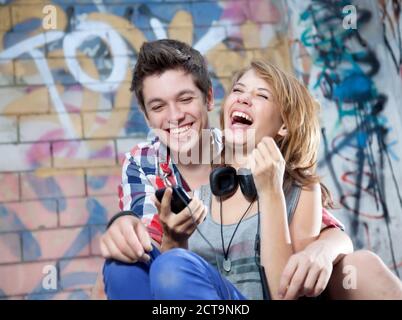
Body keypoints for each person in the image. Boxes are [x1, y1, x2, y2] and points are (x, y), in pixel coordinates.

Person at [92, 39, 402, 300]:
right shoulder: (172, 171)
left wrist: (319, 241)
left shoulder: (272, 175)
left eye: (185, 99)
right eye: (158, 106)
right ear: (147, 117)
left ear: (209, 99)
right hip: (190, 287)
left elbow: (326, 233)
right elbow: (154, 255)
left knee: (361, 265)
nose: (174, 117)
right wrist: (127, 223)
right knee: (121, 269)